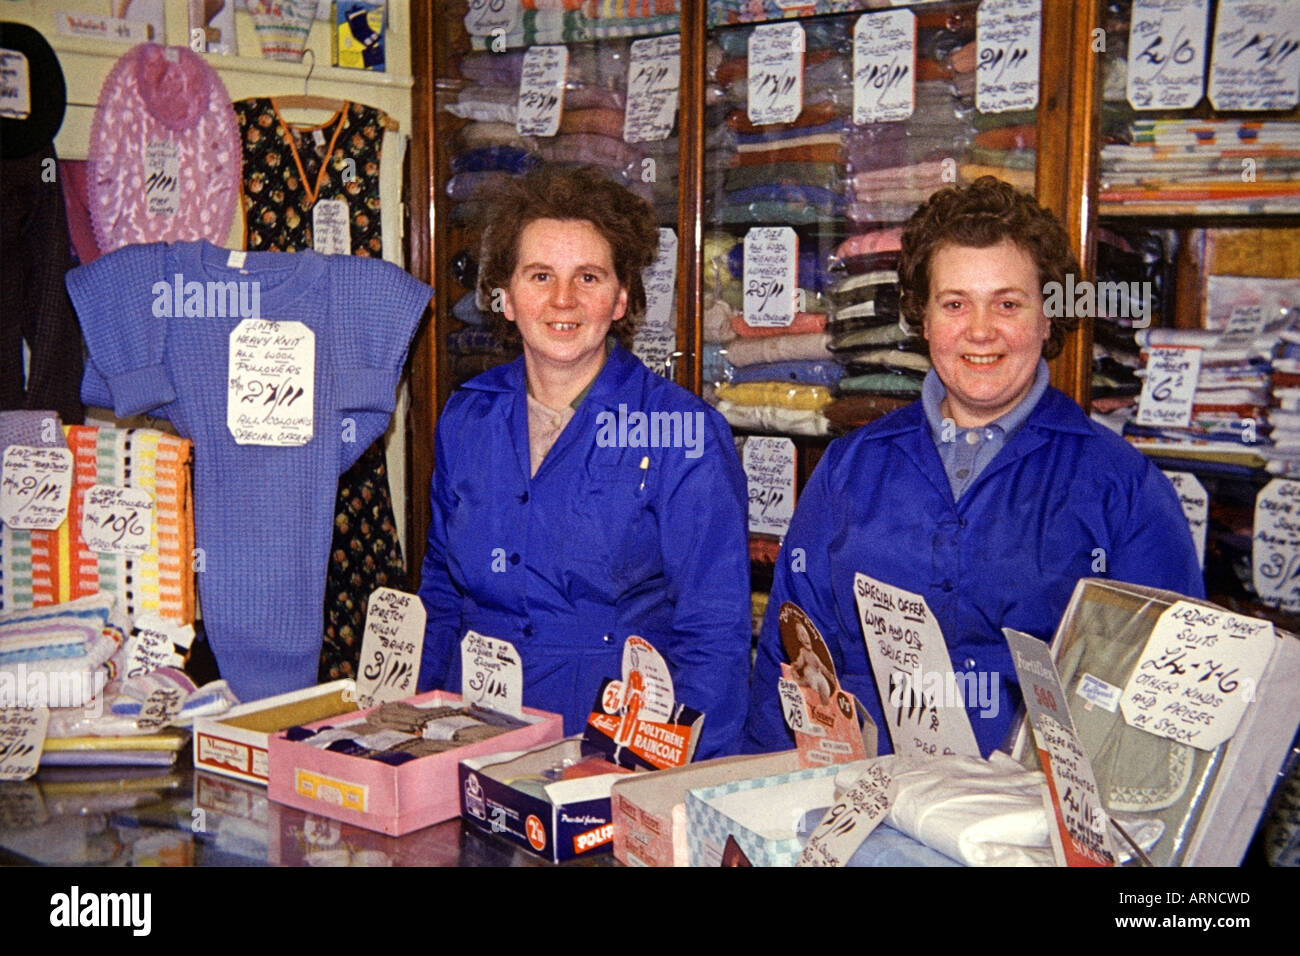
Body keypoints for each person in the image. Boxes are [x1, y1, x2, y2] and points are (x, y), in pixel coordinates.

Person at [742, 176, 1204, 757]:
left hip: (1031, 828)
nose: (980, 331)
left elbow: (1163, 706)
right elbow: (791, 657)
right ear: (924, 319)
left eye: (1007, 304)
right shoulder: (849, 468)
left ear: (1047, 318)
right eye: (955, 304)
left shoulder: (1124, 487)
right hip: (863, 808)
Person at [417, 165, 751, 758]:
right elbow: (441, 593)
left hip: (609, 745)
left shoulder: (684, 434)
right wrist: (414, 726)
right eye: (540, 275)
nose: (563, 300)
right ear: (506, 295)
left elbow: (714, 636)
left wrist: (665, 780)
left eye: (589, 277)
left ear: (621, 298)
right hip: (469, 731)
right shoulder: (467, 417)